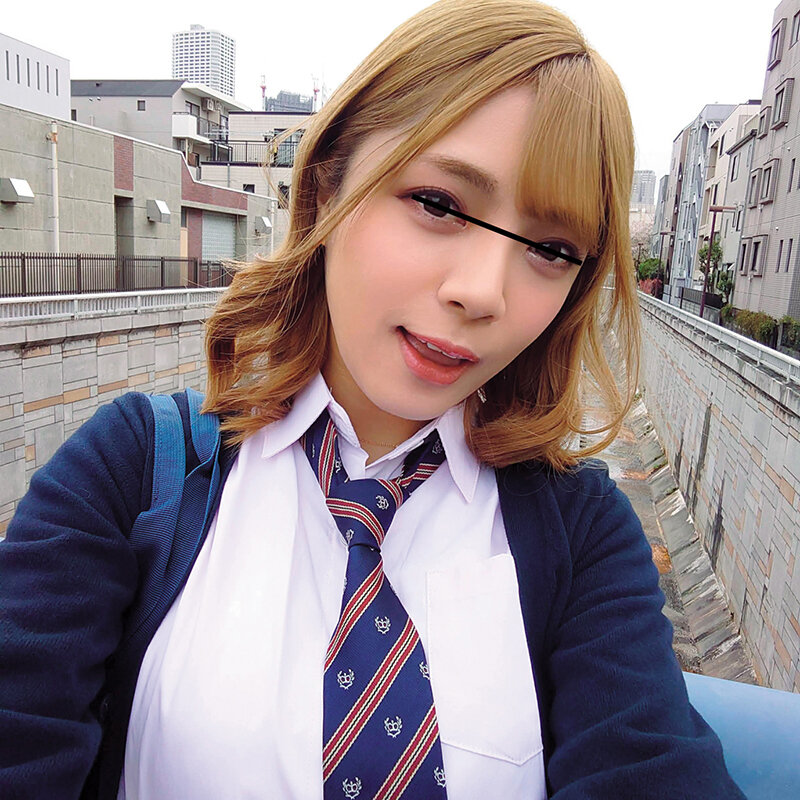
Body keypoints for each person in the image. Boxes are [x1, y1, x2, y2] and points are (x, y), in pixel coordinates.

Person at [0, 1, 746, 798]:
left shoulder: (583, 538)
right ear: (328, 186)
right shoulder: (131, 475)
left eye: (551, 249)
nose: (482, 291)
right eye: (439, 204)